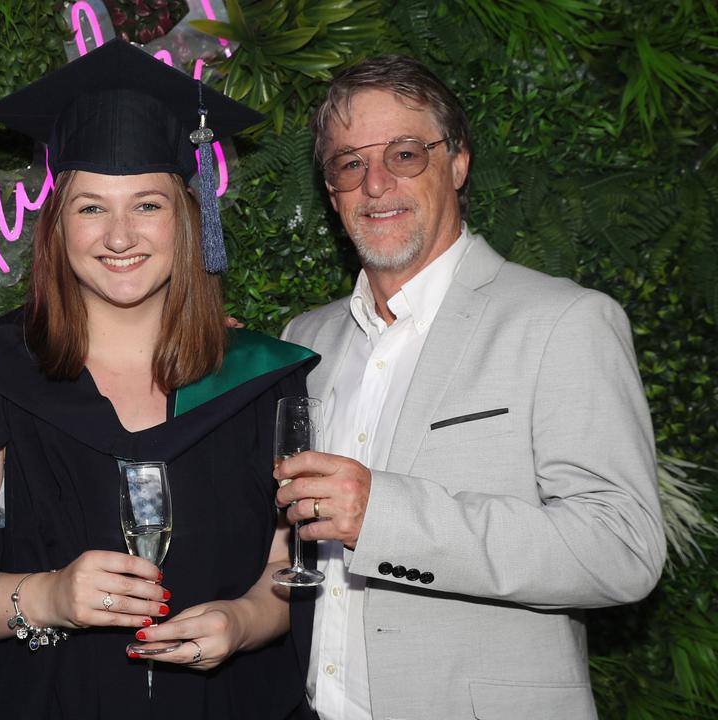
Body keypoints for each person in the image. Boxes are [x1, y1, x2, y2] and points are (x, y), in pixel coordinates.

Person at [0, 40, 320, 719]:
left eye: (147, 205)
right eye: (91, 207)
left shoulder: (260, 381)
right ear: (56, 226)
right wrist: (48, 597)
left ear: (189, 218)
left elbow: (292, 566)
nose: (120, 236)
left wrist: (246, 620)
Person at [274, 55, 666, 719]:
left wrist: (386, 517)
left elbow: (622, 546)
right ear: (332, 190)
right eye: (349, 163)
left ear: (457, 163)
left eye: (403, 153)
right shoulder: (304, 340)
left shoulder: (563, 321)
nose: (375, 184)